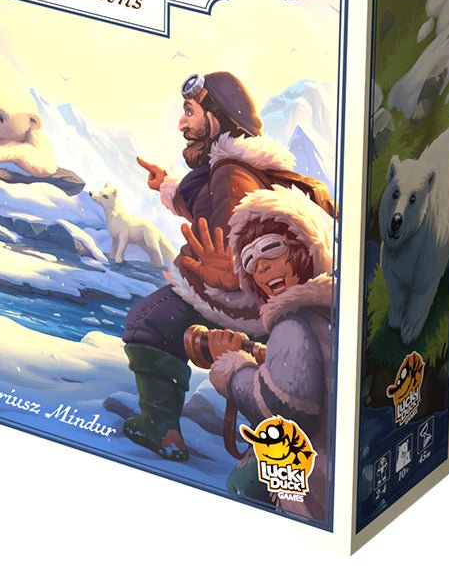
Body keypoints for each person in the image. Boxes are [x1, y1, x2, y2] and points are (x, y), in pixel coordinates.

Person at [122, 72, 333, 462]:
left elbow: (231, 234)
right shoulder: (240, 165)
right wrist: (166, 185)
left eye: (190, 112)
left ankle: (161, 427)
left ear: (216, 118)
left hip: (241, 301)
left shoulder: (230, 174)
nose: (182, 123)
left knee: (148, 322)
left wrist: (230, 273)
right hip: (267, 302)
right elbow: (205, 204)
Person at [186, 185, 334, 522]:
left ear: (305, 246)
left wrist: (234, 369)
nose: (261, 267)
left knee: (243, 486)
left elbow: (284, 408)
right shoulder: (328, 311)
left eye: (270, 248)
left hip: (312, 485)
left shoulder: (293, 322)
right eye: (250, 261)